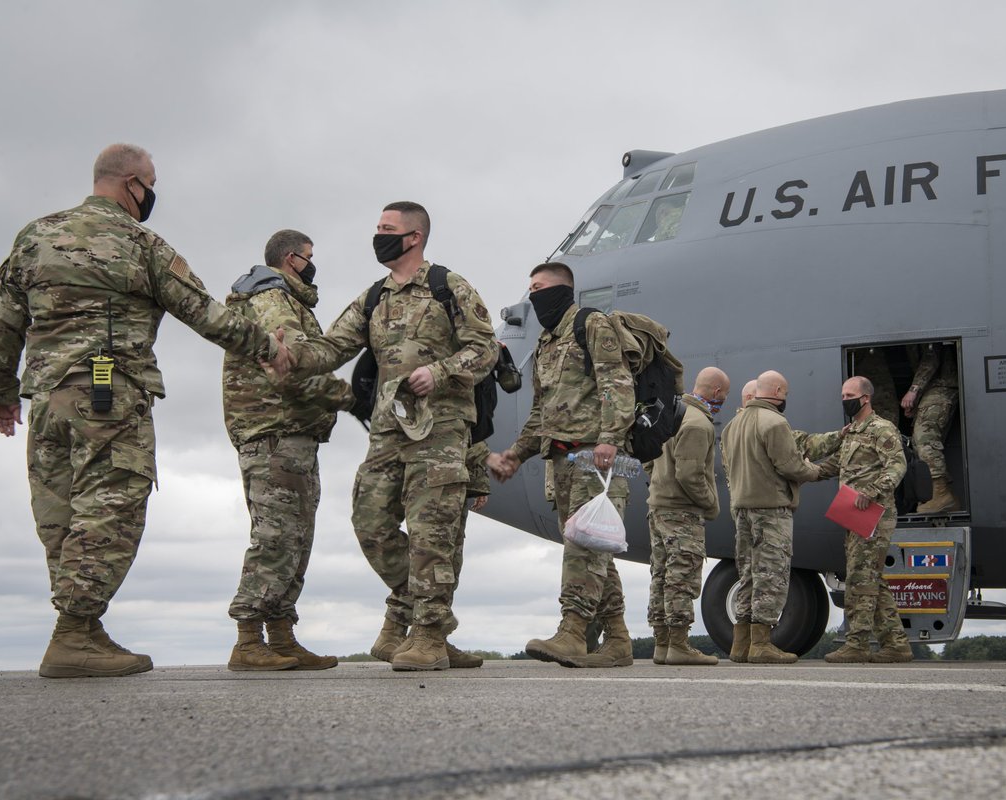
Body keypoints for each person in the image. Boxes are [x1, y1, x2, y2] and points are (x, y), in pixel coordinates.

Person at [0, 143, 291, 678]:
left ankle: (83, 629)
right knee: (111, 510)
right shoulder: (140, 243)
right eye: (150, 184)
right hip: (110, 394)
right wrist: (270, 348)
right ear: (132, 182)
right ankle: (72, 635)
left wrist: (0, 394)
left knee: (62, 513)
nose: (152, 194)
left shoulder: (33, 236)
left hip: (46, 400)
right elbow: (204, 313)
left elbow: (2, 323)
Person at [282, 202, 498, 671]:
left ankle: (428, 635)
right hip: (387, 429)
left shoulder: (448, 287)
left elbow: (486, 350)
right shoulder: (374, 296)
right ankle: (428, 612)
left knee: (432, 532)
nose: (378, 236)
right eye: (377, 228)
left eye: (387, 229)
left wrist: (440, 372)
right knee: (370, 522)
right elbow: (333, 346)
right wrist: (287, 354)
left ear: (414, 236)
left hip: (440, 430)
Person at [488, 261, 636, 669]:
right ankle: (619, 638)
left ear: (561, 290)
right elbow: (541, 413)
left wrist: (610, 437)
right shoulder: (547, 343)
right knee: (593, 544)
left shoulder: (591, 324)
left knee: (583, 546)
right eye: (529, 289)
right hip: (563, 460)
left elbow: (617, 381)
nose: (533, 296)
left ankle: (573, 632)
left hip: (595, 455)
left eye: (539, 288)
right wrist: (516, 454)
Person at [221, 229, 353, 671]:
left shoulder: (290, 301)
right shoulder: (273, 301)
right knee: (275, 536)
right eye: (309, 257)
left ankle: (280, 634)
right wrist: (350, 397)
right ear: (291, 259)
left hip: (294, 433)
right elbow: (291, 367)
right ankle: (247, 638)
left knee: (297, 536)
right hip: (273, 430)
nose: (313, 265)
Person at [719, 370, 840, 664]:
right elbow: (791, 467)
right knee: (771, 574)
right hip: (771, 510)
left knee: (748, 573)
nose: (786, 397)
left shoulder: (732, 426)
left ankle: (741, 643)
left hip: (742, 509)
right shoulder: (774, 422)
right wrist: (819, 471)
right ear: (775, 390)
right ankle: (761, 643)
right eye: (784, 391)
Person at [819, 375, 913, 663]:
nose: (845, 400)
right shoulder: (852, 432)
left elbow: (897, 466)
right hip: (853, 514)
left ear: (865, 398)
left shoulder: (882, 429)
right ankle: (896, 644)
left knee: (861, 578)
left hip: (875, 515)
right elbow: (838, 466)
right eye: (843, 395)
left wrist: (872, 491)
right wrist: (802, 471)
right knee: (872, 578)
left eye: (850, 395)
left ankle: (857, 644)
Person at [646, 366, 729, 666]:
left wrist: (658, 483)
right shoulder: (698, 424)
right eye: (725, 395)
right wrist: (710, 504)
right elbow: (690, 474)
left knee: (662, 576)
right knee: (682, 577)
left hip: (658, 508)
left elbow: (649, 457)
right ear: (717, 392)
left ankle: (662, 643)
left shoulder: (672, 412)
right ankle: (679, 645)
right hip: (682, 512)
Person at [900, 342, 959, 513]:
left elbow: (931, 357)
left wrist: (914, 390)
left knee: (923, 434)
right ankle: (946, 497)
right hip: (932, 388)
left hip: (943, 383)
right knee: (918, 441)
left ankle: (940, 493)